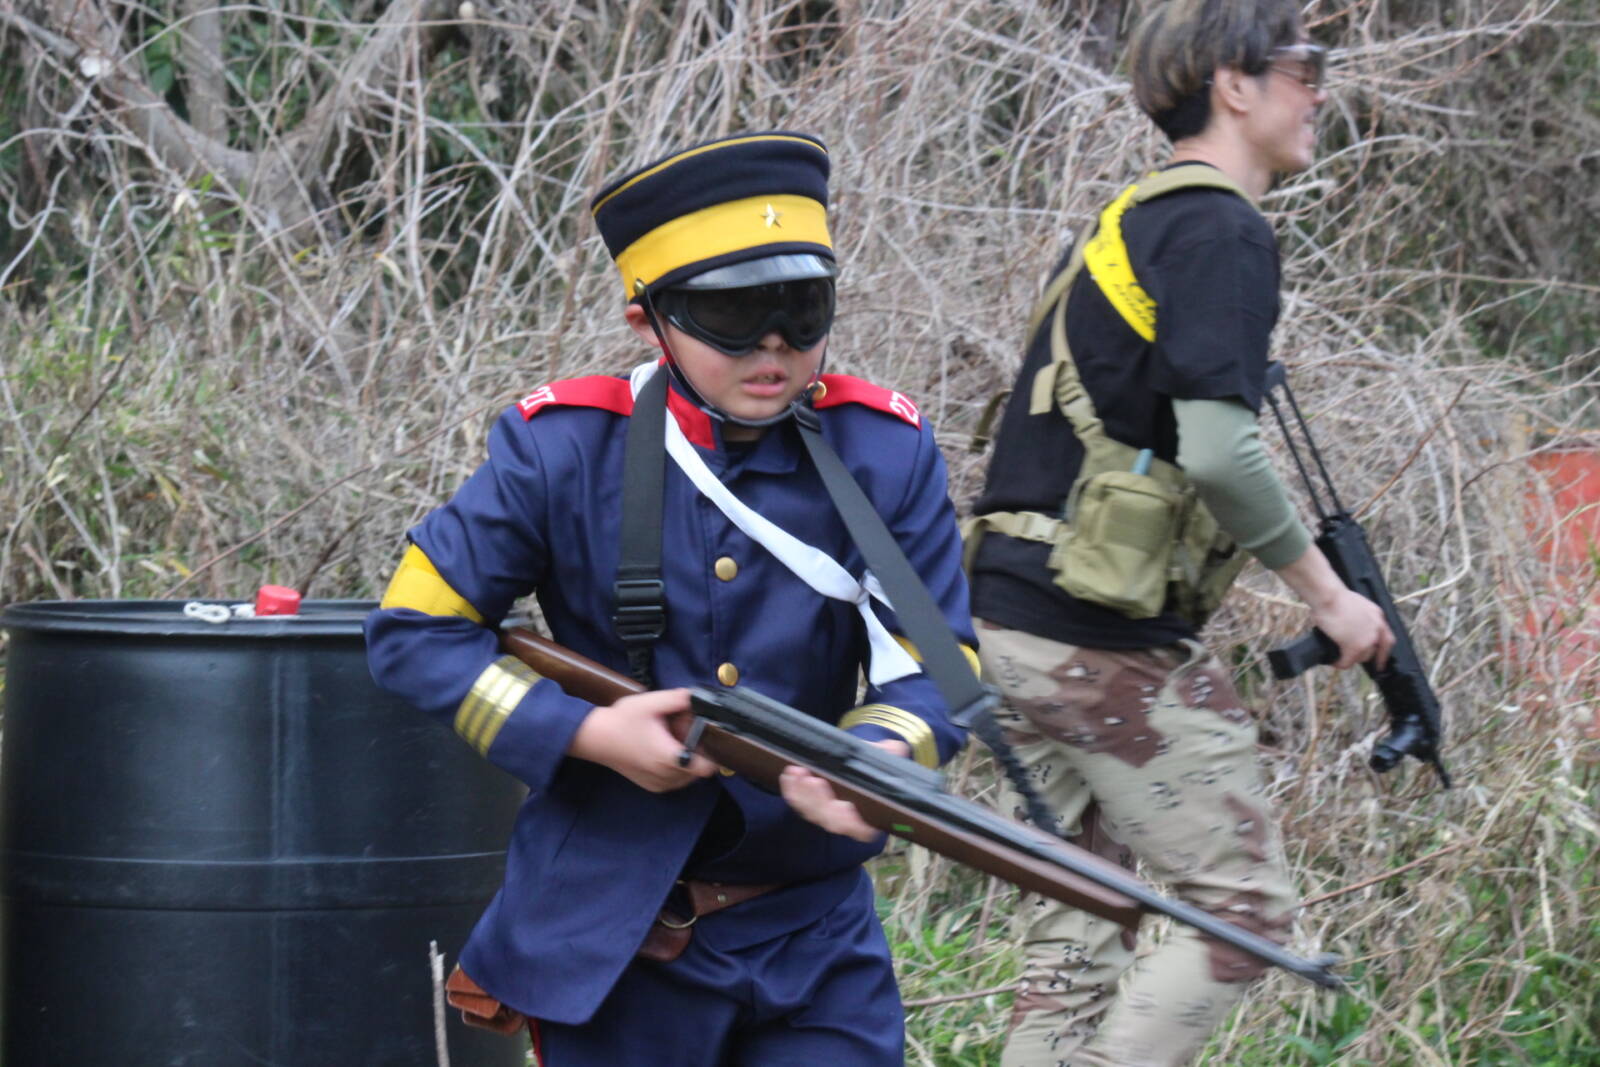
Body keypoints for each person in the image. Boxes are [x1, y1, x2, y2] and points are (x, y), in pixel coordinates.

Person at [364, 131, 978, 1065]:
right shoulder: (560, 447)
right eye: (732, 315)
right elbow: (415, 632)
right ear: (648, 320)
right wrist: (585, 732)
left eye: (801, 310)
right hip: (616, 936)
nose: (774, 347)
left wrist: (877, 752)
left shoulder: (884, 448)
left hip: (817, 935)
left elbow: (938, 664)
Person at [964, 4, 1395, 1065]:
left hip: (1007, 621)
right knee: (1244, 912)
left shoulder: (1135, 219)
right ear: (1233, 86)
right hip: (1092, 639)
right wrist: (1329, 597)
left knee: (1081, 917)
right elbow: (1220, 453)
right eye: (1303, 66)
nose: (1320, 89)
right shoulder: (1219, 230)